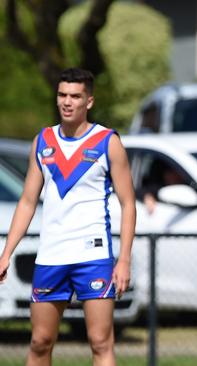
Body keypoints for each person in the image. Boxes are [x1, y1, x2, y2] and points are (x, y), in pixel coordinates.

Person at [0, 68, 136, 366]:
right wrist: (6, 252)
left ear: (89, 101)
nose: (67, 101)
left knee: (100, 342)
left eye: (75, 96)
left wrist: (123, 258)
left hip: (93, 255)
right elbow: (26, 202)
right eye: (62, 95)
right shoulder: (42, 141)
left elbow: (128, 204)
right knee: (40, 342)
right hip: (51, 255)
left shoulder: (107, 141)